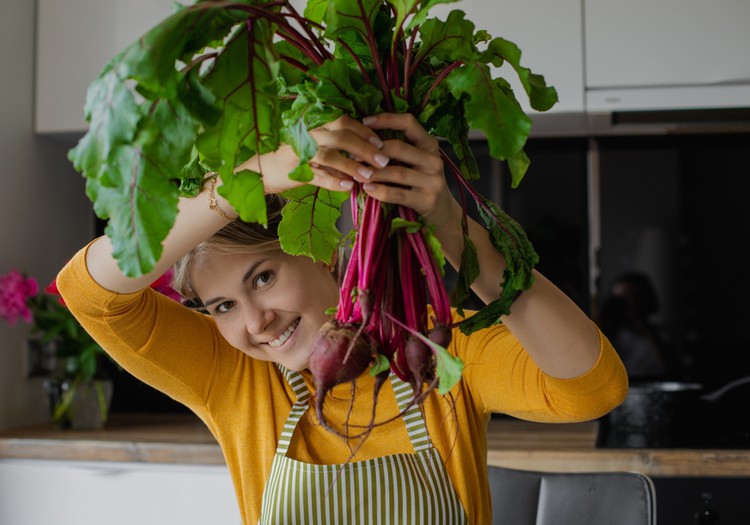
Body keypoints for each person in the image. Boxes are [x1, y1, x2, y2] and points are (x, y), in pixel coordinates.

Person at [57, 113, 628, 524]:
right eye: (223, 306)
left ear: (326, 252)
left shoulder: (432, 349)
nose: (255, 322)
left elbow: (589, 389)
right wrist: (244, 184)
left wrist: (454, 229)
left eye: (263, 278)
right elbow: (87, 291)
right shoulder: (230, 376)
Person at [598, 272, 680, 380]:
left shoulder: (660, 336)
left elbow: (669, 369)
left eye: (631, 298)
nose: (624, 305)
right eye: (619, 299)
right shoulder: (608, 337)